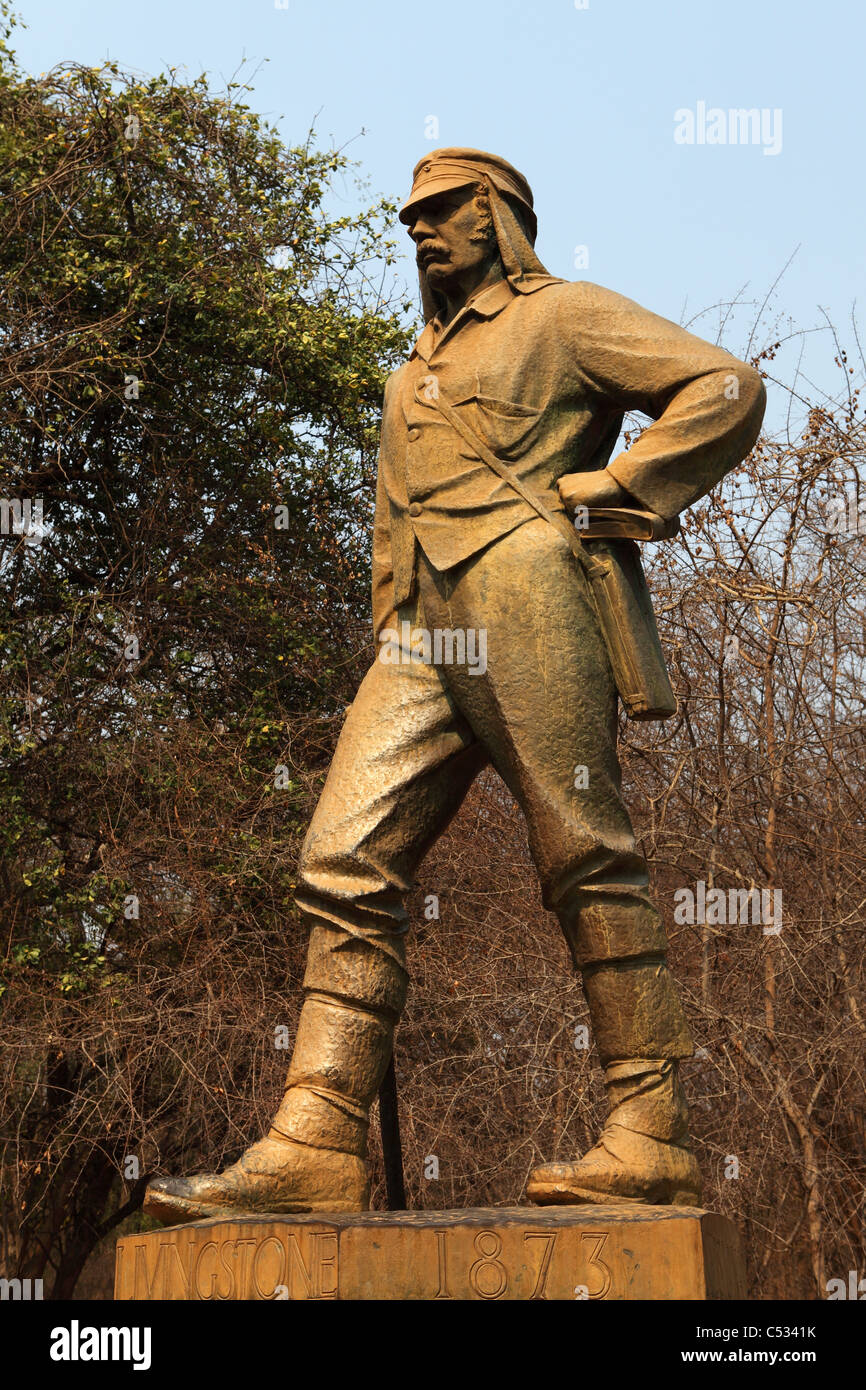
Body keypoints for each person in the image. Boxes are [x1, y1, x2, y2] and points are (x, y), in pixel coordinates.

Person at [144, 148, 765, 1225]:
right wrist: (389, 625)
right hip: (420, 631)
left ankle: (649, 1131)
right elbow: (392, 524)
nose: (420, 231)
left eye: (442, 213)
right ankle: (316, 1136)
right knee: (342, 856)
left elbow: (723, 386)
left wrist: (617, 488)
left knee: (583, 847)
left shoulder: (562, 316)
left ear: (497, 215)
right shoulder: (406, 371)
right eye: (412, 219)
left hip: (527, 585)